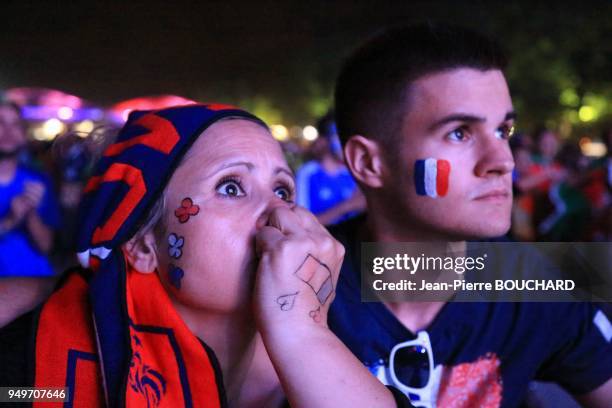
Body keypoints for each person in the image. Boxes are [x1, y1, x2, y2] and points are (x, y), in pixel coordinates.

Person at [0, 104, 411, 407]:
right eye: (231, 187)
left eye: (283, 190)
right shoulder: (29, 371)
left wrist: (304, 335)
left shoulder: (330, 334)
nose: (279, 215)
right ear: (144, 246)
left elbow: (467, 276)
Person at [327, 23, 612, 407]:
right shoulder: (303, 290)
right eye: (460, 133)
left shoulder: (534, 287)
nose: (503, 161)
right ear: (369, 163)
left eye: (503, 130)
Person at [0, 101, 60, 326]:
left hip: (35, 290)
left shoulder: (38, 181)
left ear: (23, 135)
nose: (8, 131)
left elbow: (46, 246)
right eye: (1, 123)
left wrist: (31, 214)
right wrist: (10, 220)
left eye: (15, 124)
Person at [296, 112, 365, 225]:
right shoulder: (308, 173)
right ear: (324, 141)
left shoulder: (355, 173)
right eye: (340, 136)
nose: (347, 143)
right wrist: (349, 205)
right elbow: (301, 225)